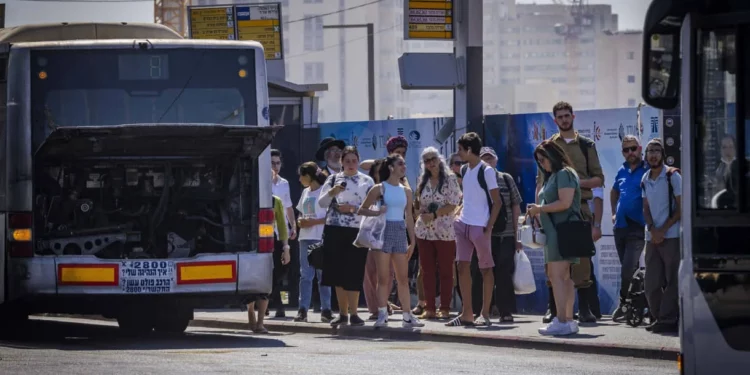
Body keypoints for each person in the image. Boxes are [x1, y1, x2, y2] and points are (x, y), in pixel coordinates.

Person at [535, 101, 604, 324]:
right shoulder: (547, 146)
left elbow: (599, 179)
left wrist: (572, 183)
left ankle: (584, 309)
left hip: (578, 209)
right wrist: (537, 212)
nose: (564, 119)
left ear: (573, 117)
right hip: (551, 211)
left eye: (567, 115)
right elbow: (541, 183)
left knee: (581, 261)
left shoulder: (586, 145)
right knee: (553, 263)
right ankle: (554, 309)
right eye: (560, 117)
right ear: (555, 121)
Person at [358, 153, 424, 328]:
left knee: (402, 277)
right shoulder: (380, 188)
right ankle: (382, 314)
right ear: (391, 167)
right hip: (383, 231)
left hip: (399, 231)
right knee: (383, 277)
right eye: (400, 164)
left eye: (404, 164)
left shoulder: (406, 190)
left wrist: (413, 241)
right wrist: (377, 212)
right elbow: (362, 210)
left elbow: (409, 217)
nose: (404, 167)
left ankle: (407, 316)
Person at [447, 132, 502, 327]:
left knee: (486, 269)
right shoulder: (463, 169)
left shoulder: (486, 171)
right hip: (463, 224)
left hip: (480, 226)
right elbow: (468, 196)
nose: (458, 153)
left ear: (469, 150)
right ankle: (466, 314)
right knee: (462, 266)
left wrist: (489, 227)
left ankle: (485, 313)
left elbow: (497, 201)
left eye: (461, 149)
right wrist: (458, 213)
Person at [527, 140, 581, 336]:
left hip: (562, 231)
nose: (542, 164)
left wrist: (540, 209)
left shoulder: (564, 173)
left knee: (557, 276)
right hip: (556, 231)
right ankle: (567, 320)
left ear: (553, 156)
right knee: (564, 277)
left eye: (544, 160)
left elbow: (565, 203)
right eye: (539, 161)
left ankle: (561, 320)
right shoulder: (553, 176)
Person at [318, 146, 375, 326]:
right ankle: (342, 313)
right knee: (337, 273)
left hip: (357, 230)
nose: (351, 164)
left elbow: (373, 209)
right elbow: (321, 203)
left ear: (358, 161)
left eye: (354, 160)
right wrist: (333, 191)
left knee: (354, 271)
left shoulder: (367, 181)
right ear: (341, 162)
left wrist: (352, 209)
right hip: (334, 228)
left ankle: (354, 313)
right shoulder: (333, 179)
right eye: (347, 161)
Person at [475, 146, 523, 323]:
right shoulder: (476, 180)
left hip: (506, 234)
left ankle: (506, 311)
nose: (487, 161)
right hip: (482, 235)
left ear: (496, 160)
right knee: (484, 273)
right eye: (484, 159)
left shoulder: (506, 178)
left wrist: (518, 237)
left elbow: (516, 206)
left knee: (504, 274)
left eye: (490, 158)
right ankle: (483, 310)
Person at [414, 147, 462, 320]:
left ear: (439, 159)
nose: (431, 163)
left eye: (433, 158)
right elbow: (418, 203)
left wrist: (435, 214)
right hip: (424, 231)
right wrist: (422, 211)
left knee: (445, 269)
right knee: (426, 270)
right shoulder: (422, 180)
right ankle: (430, 307)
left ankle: (445, 307)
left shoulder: (449, 179)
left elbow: (454, 203)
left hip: (444, 230)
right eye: (426, 160)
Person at [641, 138, 681, 334]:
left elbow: (681, 209)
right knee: (651, 282)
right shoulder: (645, 178)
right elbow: (646, 208)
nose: (653, 154)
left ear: (663, 154)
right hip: (651, 238)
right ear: (646, 155)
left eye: (657, 150)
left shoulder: (673, 176)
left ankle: (667, 319)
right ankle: (658, 317)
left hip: (671, 236)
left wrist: (663, 230)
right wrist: (652, 228)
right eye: (650, 151)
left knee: (673, 280)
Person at [610, 135, 649, 322]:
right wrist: (613, 212)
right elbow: (614, 191)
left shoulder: (648, 168)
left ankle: (624, 304)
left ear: (640, 149)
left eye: (633, 148)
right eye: (626, 150)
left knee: (628, 269)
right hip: (620, 227)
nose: (630, 153)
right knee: (628, 270)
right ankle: (635, 304)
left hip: (638, 226)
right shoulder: (621, 170)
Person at [294, 162, 334, 323]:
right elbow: (300, 213)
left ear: (309, 176)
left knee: (323, 275)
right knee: (305, 275)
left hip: (321, 237)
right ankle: (302, 309)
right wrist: (300, 222)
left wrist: (314, 222)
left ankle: (326, 309)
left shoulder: (325, 192)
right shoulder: (305, 192)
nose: (299, 179)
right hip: (305, 237)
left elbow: (330, 216)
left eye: (301, 176)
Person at [246, 195, 290, 333]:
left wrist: (286, 248)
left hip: (268, 243)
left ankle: (260, 323)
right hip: (249, 242)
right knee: (250, 281)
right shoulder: (248, 196)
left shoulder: (275, 200)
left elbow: (282, 226)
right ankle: (251, 312)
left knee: (267, 282)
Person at [362, 159, 396, 320]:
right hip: (370, 233)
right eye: (377, 170)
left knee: (388, 273)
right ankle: (375, 308)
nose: (379, 173)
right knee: (370, 273)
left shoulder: (395, 187)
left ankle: (383, 303)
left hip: (389, 232)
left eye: (382, 170)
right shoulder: (368, 187)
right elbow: (363, 164)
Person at [270, 149, 297, 318]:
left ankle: (281, 304)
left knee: (283, 269)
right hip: (266, 231)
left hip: (282, 232)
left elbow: (288, 207)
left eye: (278, 163)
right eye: (272, 163)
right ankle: (268, 303)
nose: (275, 166)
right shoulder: (262, 182)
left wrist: (293, 225)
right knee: (270, 268)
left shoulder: (284, 183)